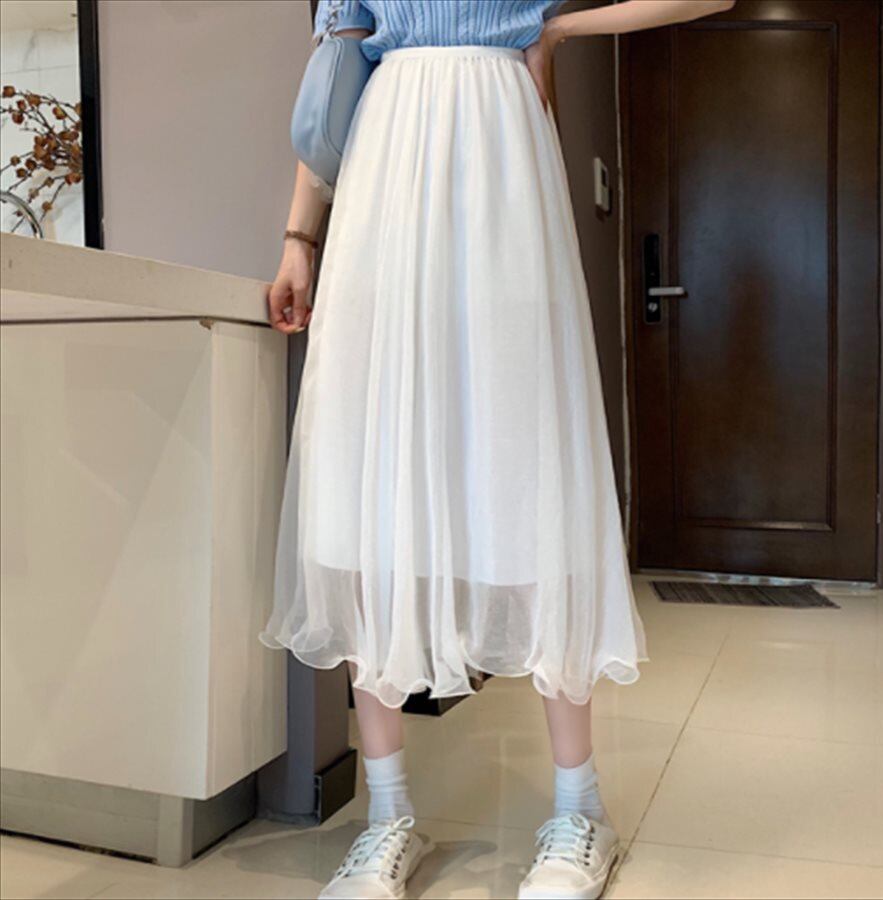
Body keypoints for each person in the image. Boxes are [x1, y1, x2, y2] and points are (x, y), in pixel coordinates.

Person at [262, 1, 735, 897]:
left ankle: (579, 807)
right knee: (370, 483)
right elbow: (334, 76)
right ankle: (388, 816)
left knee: (529, 470)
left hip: (501, 161)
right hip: (381, 170)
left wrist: (559, 29)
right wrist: (299, 239)